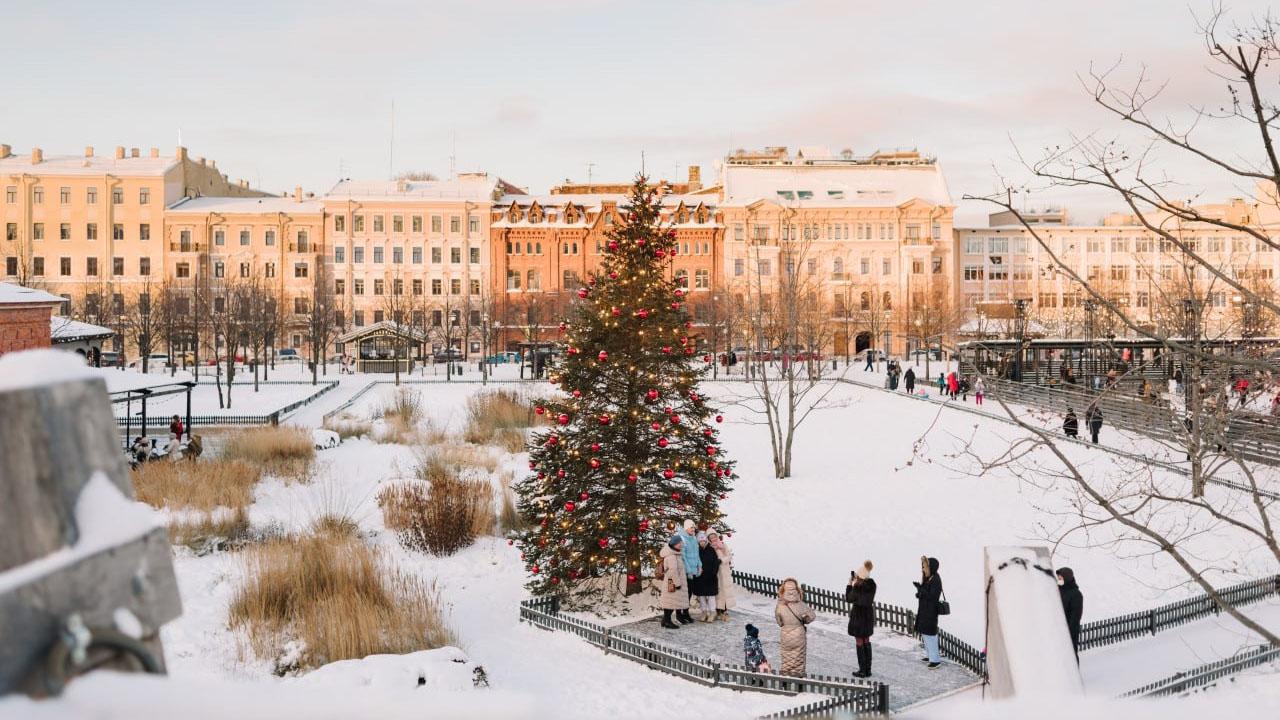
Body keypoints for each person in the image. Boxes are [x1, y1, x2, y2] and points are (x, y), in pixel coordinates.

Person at [775, 577, 816, 677]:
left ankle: (785, 682)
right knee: (799, 660)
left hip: (785, 635)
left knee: (786, 660)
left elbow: (780, 623)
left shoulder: (780, 606)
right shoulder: (801, 605)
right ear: (797, 590)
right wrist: (805, 618)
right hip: (799, 635)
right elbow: (812, 617)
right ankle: (799, 683)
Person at [845, 560, 877, 678]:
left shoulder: (858, 587)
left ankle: (862, 670)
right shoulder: (872, 585)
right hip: (868, 616)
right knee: (866, 641)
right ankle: (868, 669)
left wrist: (850, 584)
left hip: (858, 617)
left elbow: (848, 598)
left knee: (859, 642)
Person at [914, 556, 944, 668]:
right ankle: (930, 655)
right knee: (925, 633)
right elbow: (926, 593)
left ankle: (935, 660)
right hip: (925, 610)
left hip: (930, 611)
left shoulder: (936, 579)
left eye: (925, 567)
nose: (923, 569)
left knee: (930, 635)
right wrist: (919, 591)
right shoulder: (929, 577)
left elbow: (932, 596)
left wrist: (921, 590)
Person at [659, 536, 689, 629]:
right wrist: (678, 583)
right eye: (678, 543)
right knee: (670, 602)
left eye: (681, 543)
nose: (680, 545)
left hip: (671, 582)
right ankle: (667, 621)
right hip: (673, 582)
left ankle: (665, 620)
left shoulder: (676, 554)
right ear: (673, 544)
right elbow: (673, 571)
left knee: (670, 601)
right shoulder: (672, 556)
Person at [689, 531, 720, 621]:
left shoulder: (711, 550)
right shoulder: (696, 551)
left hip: (710, 577)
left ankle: (712, 612)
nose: (702, 543)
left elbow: (716, 562)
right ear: (698, 542)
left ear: (706, 541)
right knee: (701, 596)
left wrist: (714, 573)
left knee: (711, 596)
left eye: (704, 541)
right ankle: (704, 612)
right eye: (700, 541)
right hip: (700, 577)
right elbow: (694, 562)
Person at [1057, 567, 1084, 660]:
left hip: (1069, 631)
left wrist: (1069, 631)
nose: (1058, 580)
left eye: (1060, 578)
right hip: (1058, 629)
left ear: (1066, 578)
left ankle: (1074, 673)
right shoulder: (1058, 590)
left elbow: (1075, 616)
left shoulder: (1076, 594)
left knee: (1071, 654)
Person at [677, 519, 702, 616]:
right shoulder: (682, 539)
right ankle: (680, 614)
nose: (693, 529)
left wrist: (699, 565)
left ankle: (686, 612)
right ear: (686, 528)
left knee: (690, 592)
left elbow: (697, 555)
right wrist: (689, 571)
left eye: (694, 527)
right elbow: (683, 557)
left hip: (694, 571)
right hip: (686, 572)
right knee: (684, 594)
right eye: (691, 527)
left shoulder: (694, 539)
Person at [709, 531, 735, 621]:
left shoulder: (723, 545)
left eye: (714, 537)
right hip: (716, 572)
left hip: (724, 571)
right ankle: (718, 610)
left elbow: (729, 556)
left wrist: (721, 560)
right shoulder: (710, 547)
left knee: (725, 591)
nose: (713, 539)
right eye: (711, 538)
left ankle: (724, 610)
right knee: (718, 591)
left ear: (717, 536)